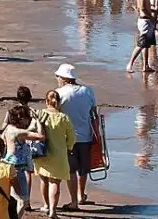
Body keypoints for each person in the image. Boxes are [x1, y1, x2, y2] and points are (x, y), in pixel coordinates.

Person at [54, 64, 97, 208]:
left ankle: (74, 201)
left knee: (71, 169)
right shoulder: (87, 91)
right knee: (83, 168)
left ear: (64, 78)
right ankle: (80, 195)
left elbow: (54, 113)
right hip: (85, 135)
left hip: (66, 138)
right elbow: (93, 111)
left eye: (58, 76)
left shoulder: (58, 93)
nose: (57, 78)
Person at [34, 90, 78, 217]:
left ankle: (46, 205)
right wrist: (69, 147)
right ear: (58, 102)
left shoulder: (40, 114)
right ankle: (53, 211)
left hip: (41, 152)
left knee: (43, 180)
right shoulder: (63, 117)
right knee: (55, 183)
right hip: (59, 154)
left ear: (46, 101)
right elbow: (71, 137)